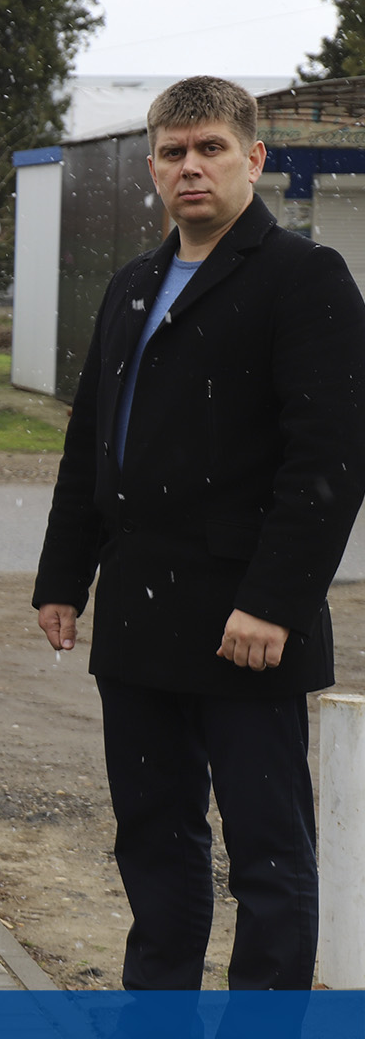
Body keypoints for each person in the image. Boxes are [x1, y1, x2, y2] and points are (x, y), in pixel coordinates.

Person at [33, 76, 365, 991]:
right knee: (154, 845)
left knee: (267, 861)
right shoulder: (132, 285)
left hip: (245, 627)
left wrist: (272, 602)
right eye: (174, 153)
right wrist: (63, 577)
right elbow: (93, 440)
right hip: (140, 620)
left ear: (253, 159)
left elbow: (329, 461)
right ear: (152, 168)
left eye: (211, 148)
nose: (191, 168)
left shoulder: (305, 279)